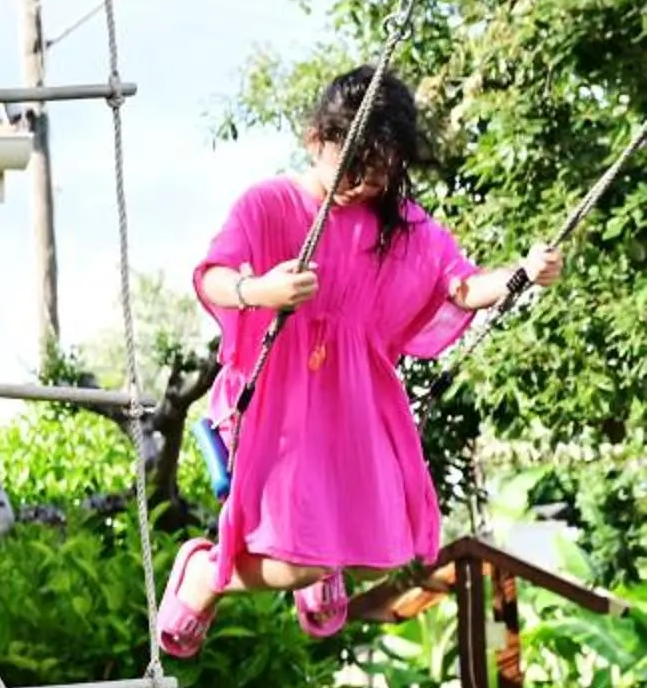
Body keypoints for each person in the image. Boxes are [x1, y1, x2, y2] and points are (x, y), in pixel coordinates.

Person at [158, 70, 561, 655]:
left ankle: (322, 570)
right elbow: (212, 275)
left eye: (378, 173)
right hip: (281, 398)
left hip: (355, 402)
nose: (362, 185)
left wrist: (523, 272)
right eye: (352, 168)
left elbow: (463, 286)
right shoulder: (270, 203)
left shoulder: (401, 227)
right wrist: (259, 290)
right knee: (297, 560)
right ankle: (204, 574)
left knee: (382, 553)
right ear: (314, 139)